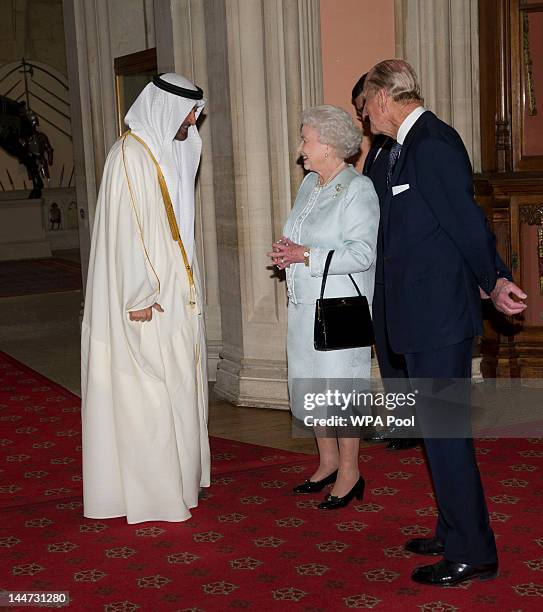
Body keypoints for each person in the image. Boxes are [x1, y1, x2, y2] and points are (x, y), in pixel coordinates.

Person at [361, 59, 527, 586]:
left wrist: (496, 279)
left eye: (367, 103)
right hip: (416, 313)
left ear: (385, 97)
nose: (365, 116)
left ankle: (473, 552)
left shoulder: (433, 143)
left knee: (447, 436)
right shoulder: (401, 149)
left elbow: (464, 220)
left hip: (437, 318)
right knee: (437, 435)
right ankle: (452, 530)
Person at [81, 73, 210, 524]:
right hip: (145, 302)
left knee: (174, 387)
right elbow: (127, 230)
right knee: (148, 392)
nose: (195, 120)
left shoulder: (168, 151)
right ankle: (151, 491)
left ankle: (178, 480)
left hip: (174, 296)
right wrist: (140, 292)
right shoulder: (130, 157)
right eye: (190, 112)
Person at [268, 105, 379, 510]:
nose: (301, 149)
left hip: (340, 310)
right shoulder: (310, 184)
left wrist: (306, 256)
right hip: (304, 305)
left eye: (306, 140)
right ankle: (327, 462)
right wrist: (287, 252)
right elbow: (298, 235)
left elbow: (362, 254)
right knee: (312, 386)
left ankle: (350, 473)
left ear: (329, 146)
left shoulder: (357, 189)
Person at [353, 73, 418, 451]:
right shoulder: (377, 149)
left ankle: (415, 425)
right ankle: (401, 424)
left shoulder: (411, 146)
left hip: (402, 265)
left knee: (405, 348)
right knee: (387, 346)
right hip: (378, 261)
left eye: (364, 107)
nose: (363, 116)